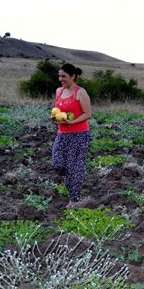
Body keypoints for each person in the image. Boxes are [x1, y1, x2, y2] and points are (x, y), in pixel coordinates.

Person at [51, 63, 92, 209]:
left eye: (64, 76)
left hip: (79, 134)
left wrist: (72, 122)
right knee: (58, 163)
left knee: (75, 167)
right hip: (62, 133)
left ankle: (74, 200)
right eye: (59, 76)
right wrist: (55, 118)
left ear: (73, 76)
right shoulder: (59, 92)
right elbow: (57, 110)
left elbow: (88, 114)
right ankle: (72, 188)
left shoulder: (80, 92)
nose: (60, 79)